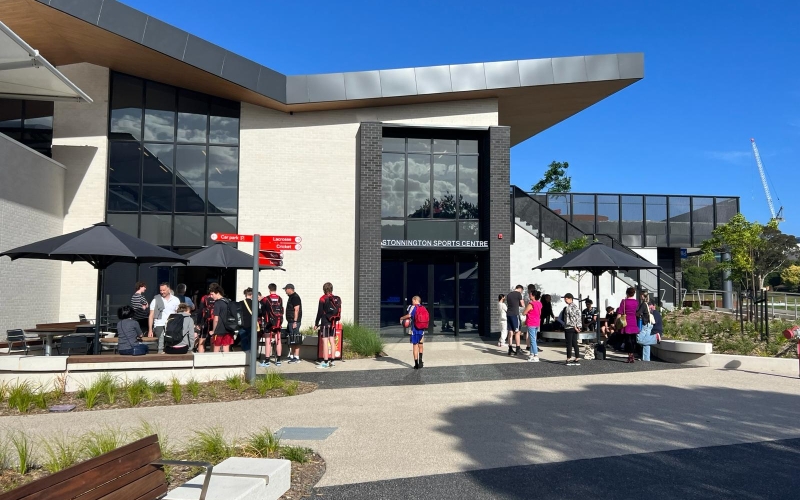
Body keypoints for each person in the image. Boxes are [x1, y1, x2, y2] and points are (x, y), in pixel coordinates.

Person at [148, 282, 180, 354]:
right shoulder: (155, 300)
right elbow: (151, 315)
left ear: (169, 289)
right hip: (159, 324)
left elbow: (178, 313)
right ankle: (160, 357)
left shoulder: (176, 300)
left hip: (171, 324)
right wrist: (150, 330)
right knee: (160, 343)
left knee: (171, 342)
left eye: (164, 290)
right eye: (160, 290)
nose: (162, 292)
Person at [314, 282, 339, 369]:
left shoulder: (322, 298)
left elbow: (319, 312)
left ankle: (325, 362)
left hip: (325, 322)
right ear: (331, 289)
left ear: (324, 289)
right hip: (333, 323)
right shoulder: (335, 299)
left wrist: (316, 323)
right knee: (332, 341)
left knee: (325, 341)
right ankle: (332, 360)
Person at [261, 284, 284, 367]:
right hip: (278, 322)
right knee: (278, 340)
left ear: (269, 289)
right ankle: (278, 360)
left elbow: (262, 310)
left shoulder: (266, 299)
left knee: (268, 341)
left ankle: (267, 361)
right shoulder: (280, 298)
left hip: (268, 322)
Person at [399, 295, 426, 369]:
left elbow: (409, 315)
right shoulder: (423, 308)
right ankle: (421, 362)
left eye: (412, 300)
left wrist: (402, 318)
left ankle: (416, 364)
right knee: (421, 345)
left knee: (415, 346)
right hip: (422, 330)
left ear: (415, 300)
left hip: (415, 329)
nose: (412, 302)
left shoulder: (413, 307)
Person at [209, 283, 234, 353]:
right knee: (226, 348)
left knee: (216, 348)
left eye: (212, 294)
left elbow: (216, 319)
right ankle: (225, 362)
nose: (211, 296)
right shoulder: (228, 301)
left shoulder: (217, 303)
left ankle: (216, 363)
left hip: (219, 329)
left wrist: (214, 330)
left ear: (217, 293)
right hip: (228, 329)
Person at [617, 287, 640, 363]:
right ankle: (632, 355)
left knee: (627, 340)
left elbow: (619, 313)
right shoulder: (636, 302)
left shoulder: (624, 301)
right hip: (633, 321)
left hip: (626, 321)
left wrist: (616, 322)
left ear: (627, 293)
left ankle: (630, 356)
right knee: (633, 339)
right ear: (633, 293)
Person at [237, 287, 260, 355]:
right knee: (251, 341)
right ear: (252, 295)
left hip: (242, 324)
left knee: (244, 341)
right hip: (252, 325)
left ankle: (245, 355)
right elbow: (258, 313)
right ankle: (251, 356)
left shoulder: (240, 303)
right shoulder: (255, 303)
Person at [284, 284, 303, 364]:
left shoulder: (295, 297)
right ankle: (291, 356)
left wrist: (295, 321)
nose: (285, 291)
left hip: (294, 321)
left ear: (289, 289)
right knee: (291, 338)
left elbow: (297, 309)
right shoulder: (291, 297)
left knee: (296, 338)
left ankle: (297, 357)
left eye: (285, 289)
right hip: (290, 321)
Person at [562, 293, 582, 366]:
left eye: (566, 299)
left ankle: (568, 358)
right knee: (574, 343)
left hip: (569, 326)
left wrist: (574, 326)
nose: (565, 300)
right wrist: (578, 327)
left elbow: (572, 318)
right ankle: (577, 357)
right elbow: (578, 317)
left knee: (569, 343)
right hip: (576, 327)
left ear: (569, 298)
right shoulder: (576, 307)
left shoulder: (569, 308)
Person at [523, 290, 542, 362]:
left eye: (530, 294)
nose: (529, 295)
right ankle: (531, 354)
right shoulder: (539, 303)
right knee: (533, 338)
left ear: (533, 295)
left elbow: (524, 312)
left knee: (533, 339)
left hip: (531, 323)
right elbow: (540, 313)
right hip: (537, 322)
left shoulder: (531, 304)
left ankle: (536, 355)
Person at [505, 285, 525, 356]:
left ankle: (510, 349)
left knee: (510, 332)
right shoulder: (518, 294)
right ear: (520, 289)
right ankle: (518, 348)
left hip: (509, 314)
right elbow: (522, 304)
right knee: (517, 332)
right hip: (515, 314)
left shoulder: (509, 294)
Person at [196, 289, 216, 353]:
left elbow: (200, 310)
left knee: (202, 339)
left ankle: (200, 356)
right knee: (213, 339)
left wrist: (198, 322)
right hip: (214, 321)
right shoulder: (217, 298)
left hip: (205, 321)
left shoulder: (204, 298)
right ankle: (213, 356)